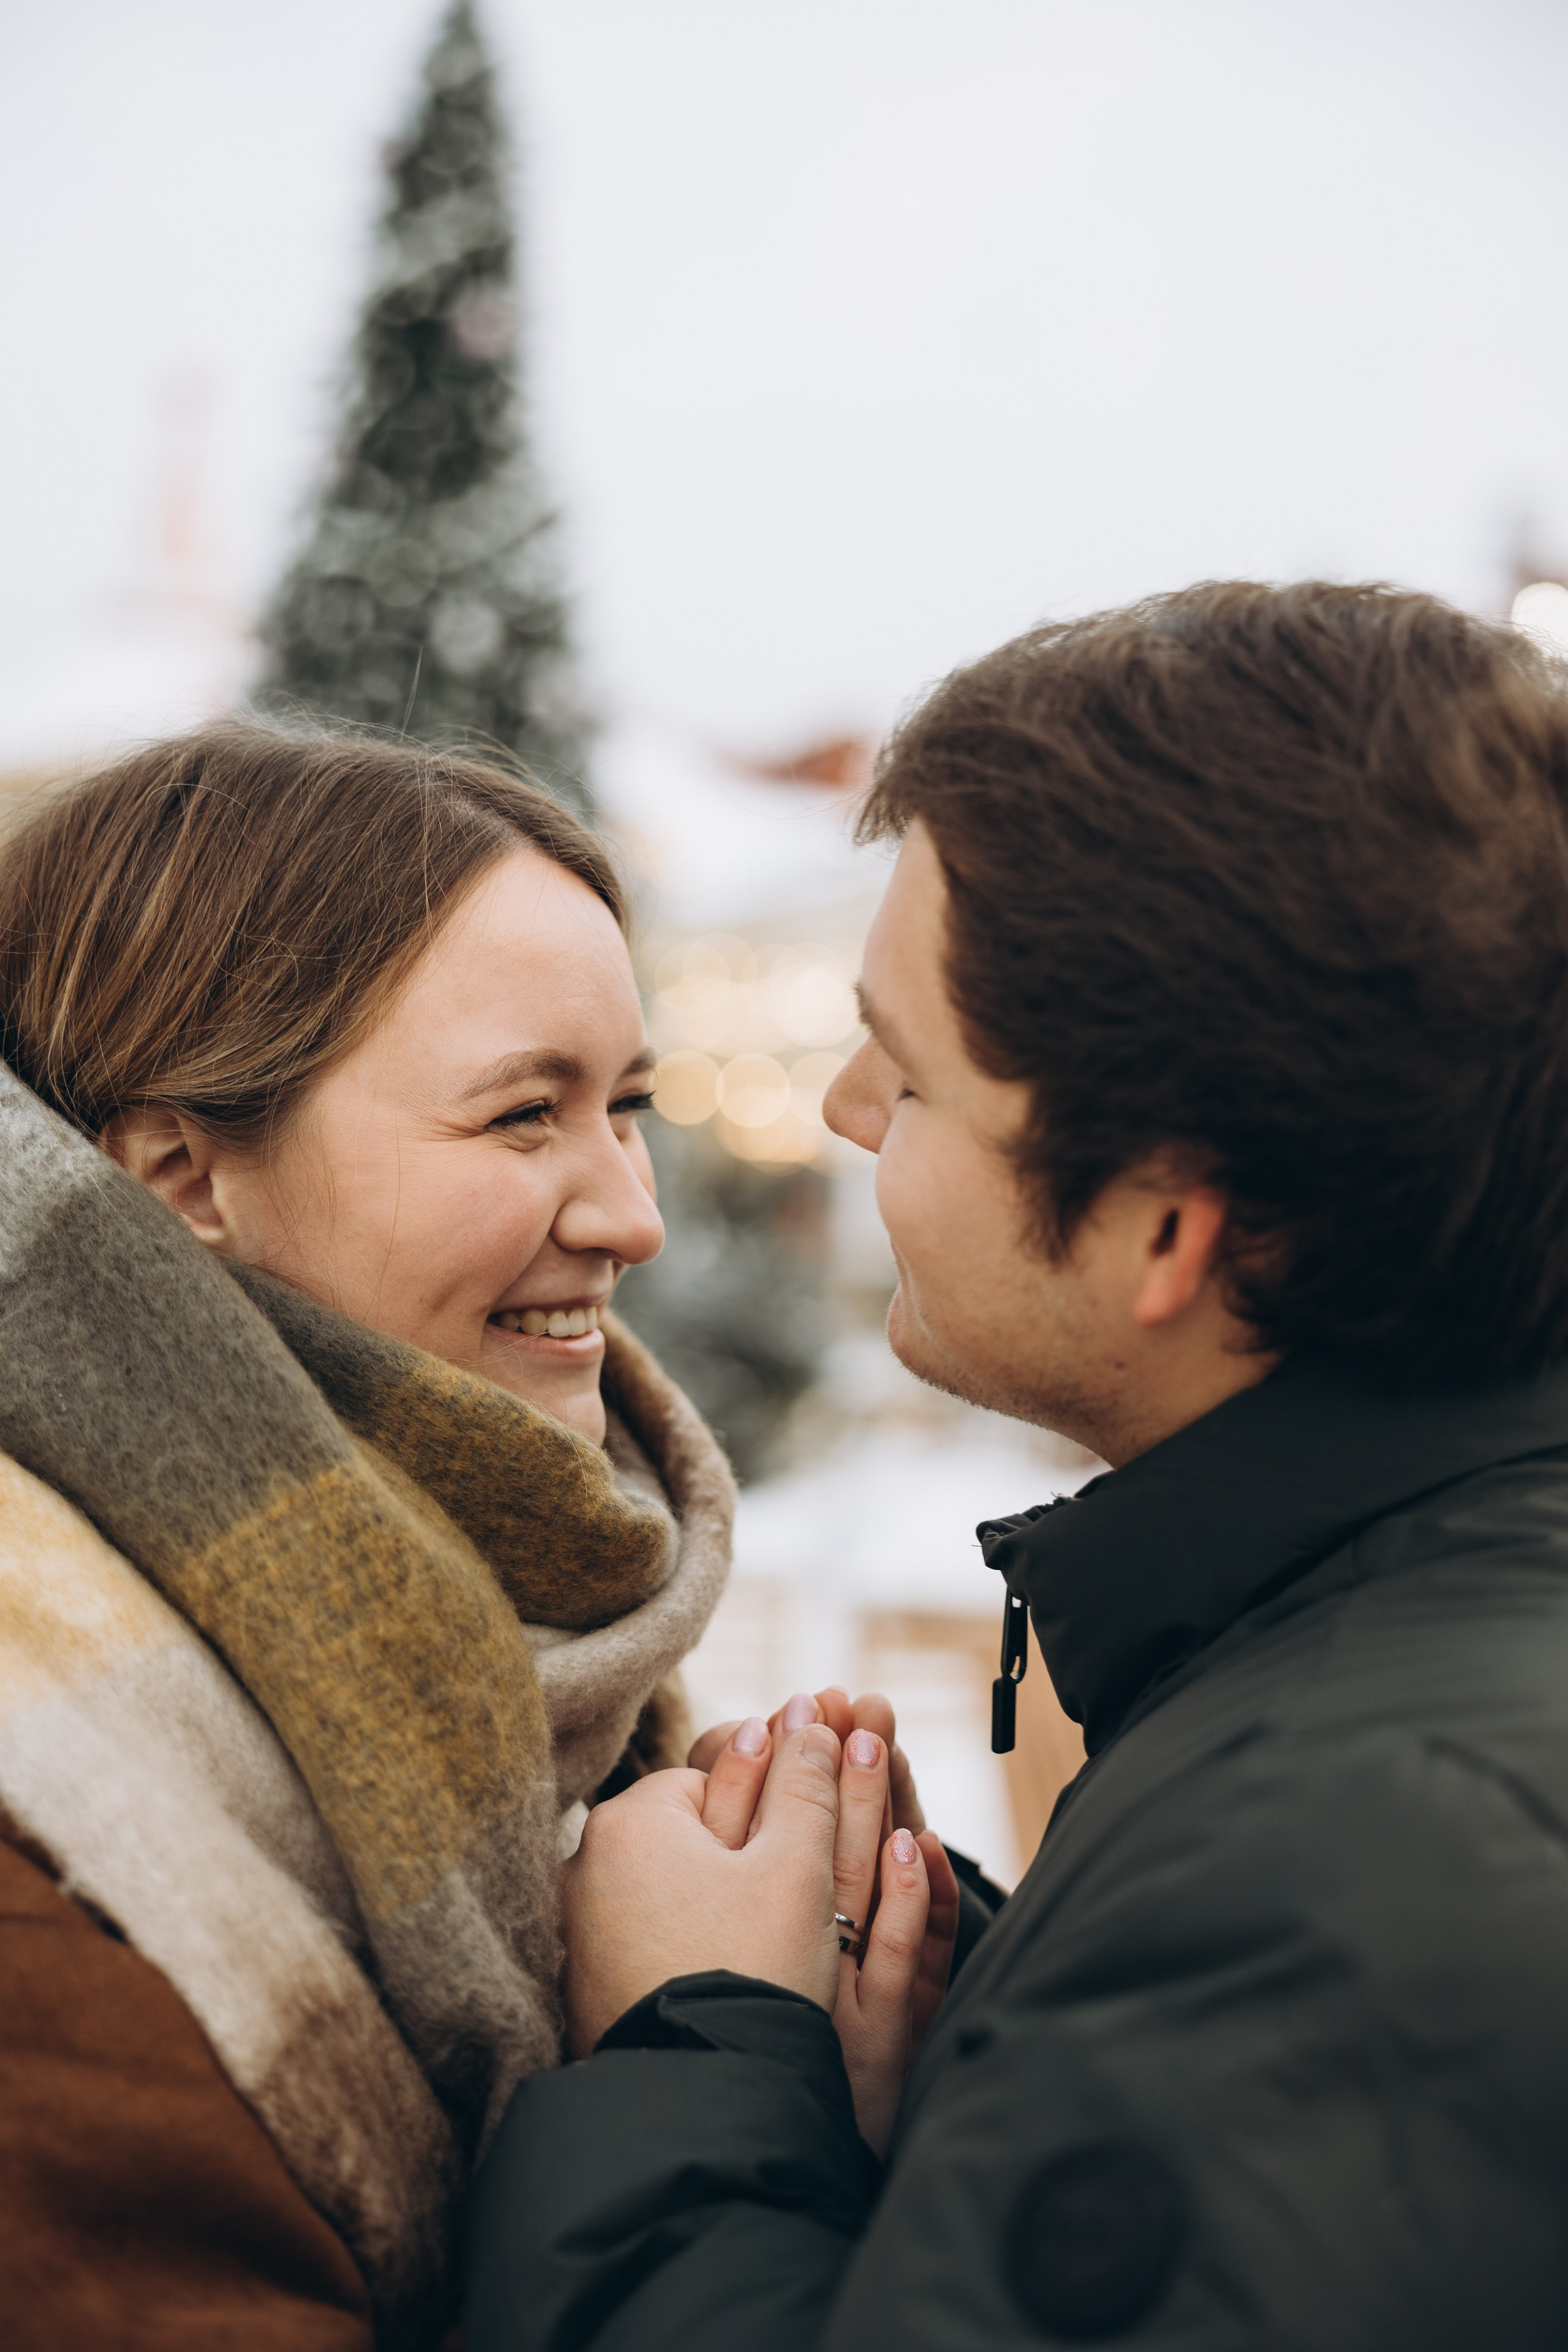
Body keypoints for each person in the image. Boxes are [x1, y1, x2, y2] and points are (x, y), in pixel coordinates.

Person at [467, 580, 1568, 2351]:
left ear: (1163, 1226)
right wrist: (1003, 2036)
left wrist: (701, 2035)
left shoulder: (1356, 1882)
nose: (837, 1109)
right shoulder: (1384, 1691)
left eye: (907, 1075)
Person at [0, 726, 742, 2350]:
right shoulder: (46, 1826)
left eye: (625, 1106)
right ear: (184, 1173)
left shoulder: (557, 1688)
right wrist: (717, 2069)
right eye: (521, 1118)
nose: (635, 1213)